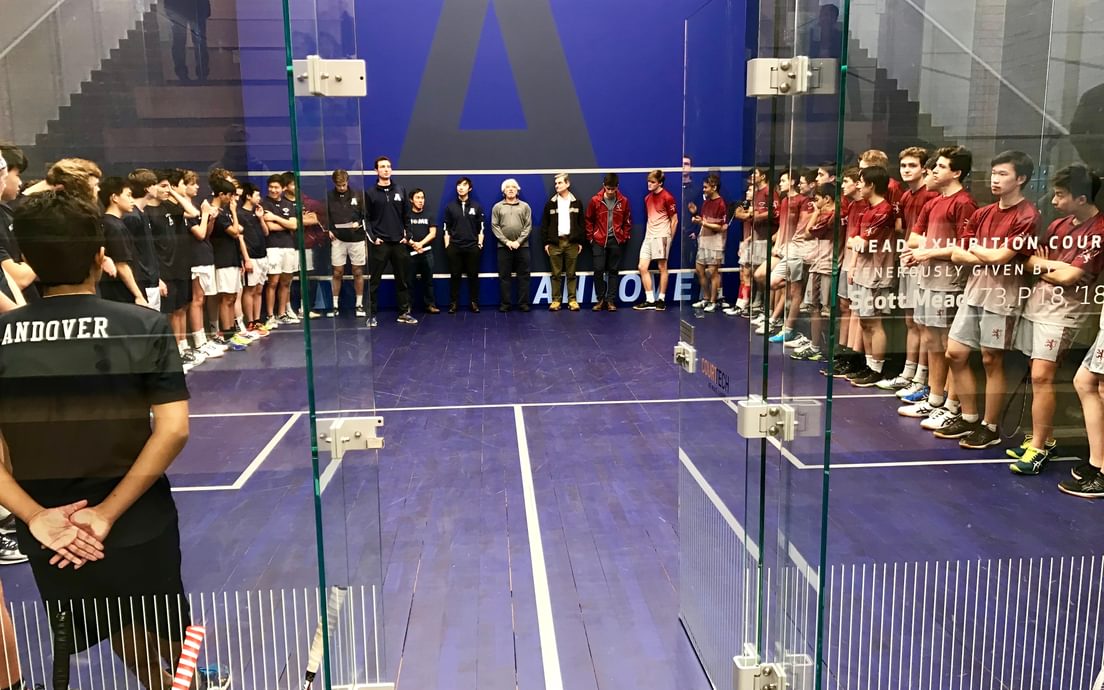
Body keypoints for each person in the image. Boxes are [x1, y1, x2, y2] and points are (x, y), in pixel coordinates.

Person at [0, 190, 200, 690]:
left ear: (28, 262)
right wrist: (107, 514)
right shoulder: (143, 325)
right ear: (99, 255)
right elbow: (173, 429)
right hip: (137, 520)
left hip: (54, 536)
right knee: (163, 636)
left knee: (111, 625)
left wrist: (37, 517)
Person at [941, 151, 1039, 448]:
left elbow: (1001, 258)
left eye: (1003, 174)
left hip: (1002, 296)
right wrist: (987, 254)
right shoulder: (982, 213)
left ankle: (990, 426)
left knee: (990, 359)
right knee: (955, 353)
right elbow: (958, 253)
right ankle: (969, 417)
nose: (995, 179)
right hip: (974, 290)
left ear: (1021, 179)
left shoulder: (1027, 215)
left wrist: (981, 252)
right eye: (994, 173)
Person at [1010, 165, 1104, 475]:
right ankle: (1044, 438)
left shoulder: (1098, 230)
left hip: (1063, 313)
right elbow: (1030, 262)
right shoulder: (1058, 225)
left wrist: (1048, 268)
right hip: (1037, 306)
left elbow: (1071, 277)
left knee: (1042, 376)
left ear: (1081, 198)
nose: (1053, 201)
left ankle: (1038, 448)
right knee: (1035, 373)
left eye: (1061, 195)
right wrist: (1054, 268)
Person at [899, 146, 978, 429]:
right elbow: (913, 239)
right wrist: (928, 250)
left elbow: (964, 247)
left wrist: (930, 251)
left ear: (957, 173)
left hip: (949, 282)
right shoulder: (933, 203)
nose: (935, 170)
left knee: (950, 348)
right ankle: (934, 399)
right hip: (927, 278)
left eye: (942, 166)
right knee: (931, 342)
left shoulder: (964, 203)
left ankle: (952, 405)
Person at [884, 147, 937, 393]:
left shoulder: (931, 195)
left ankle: (922, 379)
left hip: (925, 264)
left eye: (912, 165)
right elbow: (904, 229)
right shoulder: (906, 195)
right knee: (910, 320)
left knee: (923, 324)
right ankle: (908, 373)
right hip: (907, 261)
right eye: (903, 165)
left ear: (924, 169)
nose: (906, 170)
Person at [844, 166, 896, 386]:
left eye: (861, 181)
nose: (858, 186)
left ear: (871, 185)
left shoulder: (885, 210)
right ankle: (868, 364)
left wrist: (858, 243)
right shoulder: (865, 210)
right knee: (864, 321)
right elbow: (852, 241)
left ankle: (877, 368)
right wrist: (853, 266)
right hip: (862, 271)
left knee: (874, 321)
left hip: (877, 272)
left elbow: (863, 243)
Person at [365, 157, 416, 326]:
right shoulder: (370, 193)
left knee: (402, 280)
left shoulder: (400, 190)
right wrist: (373, 238)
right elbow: (366, 218)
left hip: (399, 243)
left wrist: (407, 236)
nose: (386, 169)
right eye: (382, 167)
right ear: (376, 171)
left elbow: (407, 216)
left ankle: (404, 313)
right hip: (380, 244)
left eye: (388, 166)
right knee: (374, 282)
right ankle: (371, 315)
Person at [727, 167, 774, 317]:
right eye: (747, 189)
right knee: (745, 274)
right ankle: (743, 303)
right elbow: (740, 215)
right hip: (749, 242)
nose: (748, 192)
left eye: (751, 190)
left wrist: (750, 215)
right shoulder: (748, 205)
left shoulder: (766, 195)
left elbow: (754, 216)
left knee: (756, 275)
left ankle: (756, 304)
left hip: (760, 241)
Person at [585, 173, 632, 311]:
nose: (610, 191)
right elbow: (588, 219)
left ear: (617, 187)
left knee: (613, 270)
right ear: (603, 186)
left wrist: (624, 236)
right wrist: (591, 237)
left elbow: (627, 220)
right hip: (599, 240)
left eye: (613, 189)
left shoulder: (623, 201)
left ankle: (610, 300)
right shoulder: (595, 200)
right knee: (598, 269)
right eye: (608, 188)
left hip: (616, 240)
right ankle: (600, 299)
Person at [540, 173, 585, 311]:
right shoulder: (550, 204)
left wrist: (580, 242)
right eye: (556, 183)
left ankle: (572, 300)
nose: (557, 186)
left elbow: (581, 224)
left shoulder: (577, 202)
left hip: (572, 243)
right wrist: (546, 243)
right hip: (555, 243)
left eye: (560, 183)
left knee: (571, 274)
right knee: (556, 274)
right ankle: (556, 301)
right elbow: (545, 225)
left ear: (567, 184)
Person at [634, 169, 678, 310]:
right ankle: (650, 300)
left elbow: (674, 220)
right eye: (648, 181)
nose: (649, 184)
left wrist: (669, 239)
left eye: (653, 182)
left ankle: (661, 299)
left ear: (660, 183)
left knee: (662, 267)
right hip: (649, 236)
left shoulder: (667, 197)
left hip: (662, 236)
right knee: (642, 267)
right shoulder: (647, 198)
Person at [326, 169, 367, 317]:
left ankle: (359, 305)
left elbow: (366, 215)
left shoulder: (358, 194)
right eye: (339, 185)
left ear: (347, 182)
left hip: (356, 238)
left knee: (358, 271)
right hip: (338, 239)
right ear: (334, 184)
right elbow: (325, 216)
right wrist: (328, 229)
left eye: (344, 184)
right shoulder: (329, 196)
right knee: (337, 272)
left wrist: (359, 223)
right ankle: (335, 306)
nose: (342, 187)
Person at [124, 169, 164, 312]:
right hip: (142, 282)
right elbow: (130, 252)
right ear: (147, 188)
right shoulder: (132, 217)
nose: (157, 188)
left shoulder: (142, 213)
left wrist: (157, 278)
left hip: (151, 280)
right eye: (154, 184)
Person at [443, 177, 485, 314]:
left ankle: (474, 302)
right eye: (459, 185)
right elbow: (446, 228)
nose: (461, 188)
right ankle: (453, 303)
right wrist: (448, 246)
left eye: (464, 185)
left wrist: (479, 244)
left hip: (472, 247)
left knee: (473, 275)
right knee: (455, 276)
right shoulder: (450, 207)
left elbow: (481, 228)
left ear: (469, 189)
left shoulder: (477, 206)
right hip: (455, 247)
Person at [261, 174, 299, 325]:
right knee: (273, 282)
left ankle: (282, 313)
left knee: (286, 282)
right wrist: (285, 224)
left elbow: (294, 225)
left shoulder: (288, 204)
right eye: (271, 187)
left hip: (288, 246)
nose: (273, 190)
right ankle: (270, 315)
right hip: (272, 247)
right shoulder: (263, 203)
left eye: (276, 187)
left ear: (283, 188)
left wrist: (276, 218)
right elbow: (269, 227)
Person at [491, 178, 532, 312]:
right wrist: (507, 242)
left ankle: (523, 304)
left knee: (524, 276)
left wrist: (518, 242)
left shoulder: (525, 206)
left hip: (523, 247)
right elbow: (495, 226)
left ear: (517, 190)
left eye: (513, 187)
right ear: (503, 191)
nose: (510, 189)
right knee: (504, 277)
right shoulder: (497, 207)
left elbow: (528, 226)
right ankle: (505, 304)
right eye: (507, 187)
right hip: (503, 247)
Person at [688, 174, 728, 312]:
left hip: (715, 241)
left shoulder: (721, 203)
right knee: (699, 270)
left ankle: (713, 301)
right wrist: (695, 215)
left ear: (714, 187)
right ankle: (705, 298)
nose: (703, 189)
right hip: (703, 239)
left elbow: (720, 227)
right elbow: (705, 220)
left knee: (712, 272)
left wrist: (702, 223)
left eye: (706, 187)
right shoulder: (706, 202)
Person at [407, 188, 439, 314]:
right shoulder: (406, 216)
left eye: (422, 198)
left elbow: (433, 233)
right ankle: (407, 306)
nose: (421, 201)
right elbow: (403, 233)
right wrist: (413, 244)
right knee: (409, 281)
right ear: (411, 200)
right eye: (417, 198)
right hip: (410, 253)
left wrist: (420, 244)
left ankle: (430, 305)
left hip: (426, 253)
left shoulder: (429, 215)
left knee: (428, 281)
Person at [164, 0, 210, 82]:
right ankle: (201, 74)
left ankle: (183, 74)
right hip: (194, 6)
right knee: (198, 42)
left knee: (180, 42)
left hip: (177, 7)